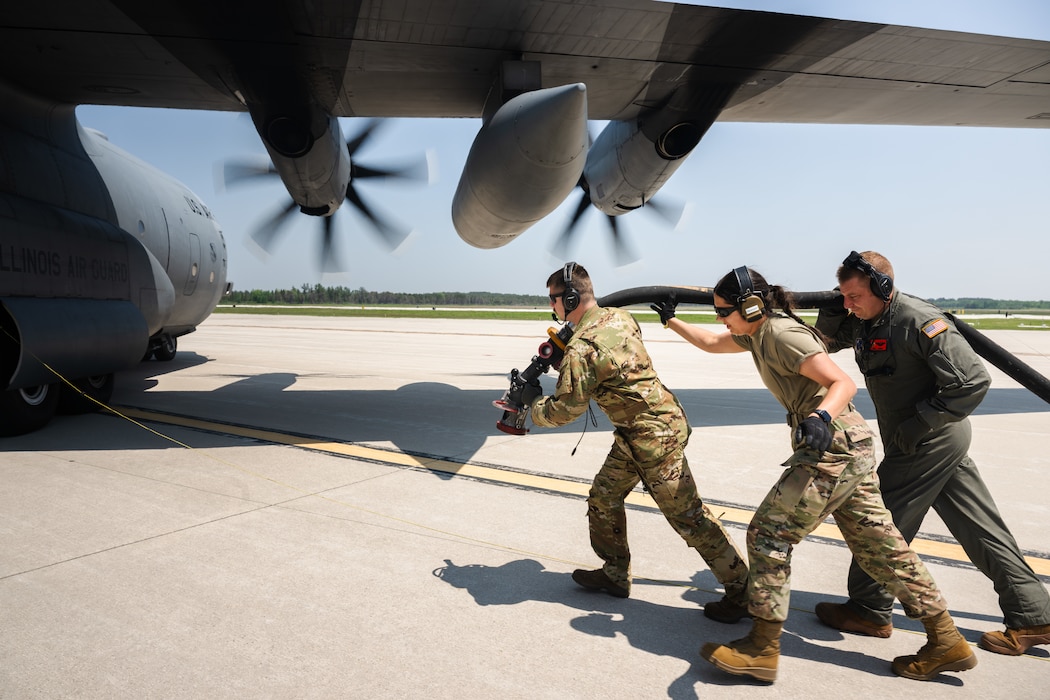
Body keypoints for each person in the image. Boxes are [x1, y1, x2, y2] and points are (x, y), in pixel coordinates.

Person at [651, 266, 976, 683]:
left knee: (769, 534)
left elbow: (841, 382)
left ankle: (763, 648)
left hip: (832, 447)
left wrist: (820, 415)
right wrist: (670, 318)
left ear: (751, 305)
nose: (719, 318)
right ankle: (946, 639)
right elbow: (713, 343)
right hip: (848, 446)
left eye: (723, 310)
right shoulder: (755, 332)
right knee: (881, 546)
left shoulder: (784, 335)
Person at [813, 250, 1050, 655]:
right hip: (926, 441)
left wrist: (918, 424)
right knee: (979, 527)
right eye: (844, 296)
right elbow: (826, 344)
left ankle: (869, 608)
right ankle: (1035, 617)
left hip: (928, 440)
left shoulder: (918, 320)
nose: (849, 304)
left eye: (854, 296)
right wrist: (837, 309)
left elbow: (973, 381)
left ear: (883, 288)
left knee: (876, 521)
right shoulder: (870, 319)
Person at [524, 262, 750, 621]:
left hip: (653, 439)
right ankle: (614, 573)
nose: (551, 306)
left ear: (568, 298)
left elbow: (565, 410)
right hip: (643, 431)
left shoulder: (583, 348)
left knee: (689, 518)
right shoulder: (618, 318)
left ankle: (743, 591)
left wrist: (531, 409)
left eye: (553, 300)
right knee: (603, 496)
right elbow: (612, 361)